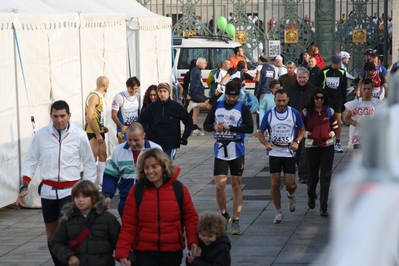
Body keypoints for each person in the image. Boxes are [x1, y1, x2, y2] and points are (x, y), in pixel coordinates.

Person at [17, 100, 97, 266]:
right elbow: (31, 159)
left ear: (69, 115)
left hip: (71, 192)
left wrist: (89, 189)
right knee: (51, 236)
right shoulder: (41, 135)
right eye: (55, 116)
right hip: (48, 192)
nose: (59, 120)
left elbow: (89, 162)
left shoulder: (79, 134)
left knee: (69, 232)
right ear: (50, 116)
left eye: (62, 116)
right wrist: (25, 183)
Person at [115, 148, 199, 266]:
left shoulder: (179, 189)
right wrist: (123, 252)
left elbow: (191, 219)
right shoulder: (137, 190)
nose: (150, 171)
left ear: (163, 167)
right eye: (146, 167)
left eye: (154, 166)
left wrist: (193, 242)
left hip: (172, 251)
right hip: (144, 252)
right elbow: (128, 224)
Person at [203, 79, 254, 235]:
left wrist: (230, 127)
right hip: (220, 150)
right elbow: (206, 125)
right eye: (229, 96)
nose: (231, 99)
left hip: (237, 150)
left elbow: (250, 128)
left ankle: (236, 220)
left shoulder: (242, 108)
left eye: (234, 97)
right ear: (225, 94)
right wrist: (214, 127)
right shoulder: (217, 106)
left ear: (238, 95)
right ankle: (225, 215)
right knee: (219, 186)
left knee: (236, 186)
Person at [257, 89, 305, 224]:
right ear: (274, 100)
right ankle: (278, 211)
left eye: (284, 100)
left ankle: (291, 195)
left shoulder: (294, 113)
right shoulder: (269, 114)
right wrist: (266, 143)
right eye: (279, 101)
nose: (281, 103)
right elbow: (260, 132)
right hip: (275, 153)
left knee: (290, 185)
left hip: (289, 153)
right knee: (275, 184)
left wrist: (297, 141)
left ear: (288, 100)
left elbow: (302, 129)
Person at [50, 180, 121, 266]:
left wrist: (126, 258)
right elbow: (56, 243)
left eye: (84, 196)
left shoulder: (108, 219)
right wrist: (69, 256)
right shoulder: (68, 219)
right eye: (77, 197)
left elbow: (119, 242)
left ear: (94, 198)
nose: (80, 200)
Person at [102, 122, 162, 216]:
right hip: (126, 200)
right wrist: (107, 194)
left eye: (136, 140)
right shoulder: (118, 150)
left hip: (150, 199)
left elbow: (163, 176)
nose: (133, 143)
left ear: (144, 135)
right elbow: (111, 175)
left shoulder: (156, 149)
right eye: (129, 140)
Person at [300, 89, 338, 217]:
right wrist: (308, 134)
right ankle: (311, 194)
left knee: (326, 176)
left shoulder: (329, 111)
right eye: (317, 98)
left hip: (327, 147)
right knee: (313, 177)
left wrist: (330, 134)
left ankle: (323, 206)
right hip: (311, 147)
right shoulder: (306, 112)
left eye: (322, 98)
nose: (319, 100)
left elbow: (336, 127)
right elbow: (299, 128)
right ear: (313, 99)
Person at [139, 83, 193, 160]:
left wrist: (185, 136)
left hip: (171, 143)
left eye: (164, 91)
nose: (162, 94)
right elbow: (141, 120)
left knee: (167, 166)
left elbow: (188, 121)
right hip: (155, 142)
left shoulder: (176, 107)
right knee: (157, 165)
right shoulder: (152, 107)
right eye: (160, 91)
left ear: (169, 92)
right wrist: (146, 132)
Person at [285, 67, 317, 183]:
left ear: (308, 77)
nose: (302, 80)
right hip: (293, 125)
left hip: (308, 125)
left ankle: (304, 174)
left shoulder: (314, 90)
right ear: (296, 77)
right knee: (296, 151)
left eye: (304, 77)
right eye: (300, 77)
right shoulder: (289, 90)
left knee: (305, 150)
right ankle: (300, 169)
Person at [344, 79, 384, 155]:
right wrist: (354, 122)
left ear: (372, 89)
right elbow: (346, 118)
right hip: (358, 137)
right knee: (358, 161)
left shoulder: (378, 104)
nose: (366, 91)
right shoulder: (355, 104)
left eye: (369, 89)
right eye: (364, 89)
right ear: (361, 89)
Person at [316, 55, 347, 153]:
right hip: (327, 99)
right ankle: (326, 140)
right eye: (338, 64)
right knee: (326, 121)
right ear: (334, 64)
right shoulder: (325, 71)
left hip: (338, 99)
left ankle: (337, 142)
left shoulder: (342, 72)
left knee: (338, 121)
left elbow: (344, 87)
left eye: (340, 64)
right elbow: (317, 83)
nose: (340, 65)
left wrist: (343, 101)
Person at [85, 76, 109, 189]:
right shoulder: (94, 97)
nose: (108, 86)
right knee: (93, 157)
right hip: (92, 132)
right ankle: (89, 183)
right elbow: (89, 117)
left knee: (103, 155)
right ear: (104, 85)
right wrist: (97, 133)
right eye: (108, 84)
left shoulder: (100, 97)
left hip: (99, 130)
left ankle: (101, 183)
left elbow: (97, 116)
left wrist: (102, 128)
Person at [111, 77, 141, 143]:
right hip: (123, 129)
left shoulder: (138, 96)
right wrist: (121, 126)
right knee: (124, 150)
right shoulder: (119, 97)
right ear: (127, 87)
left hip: (134, 128)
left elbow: (138, 111)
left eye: (136, 89)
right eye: (131, 88)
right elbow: (113, 115)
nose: (133, 91)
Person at [187, 57, 211, 136]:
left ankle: (194, 128)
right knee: (209, 104)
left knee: (196, 111)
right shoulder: (196, 71)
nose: (206, 65)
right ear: (199, 63)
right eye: (204, 63)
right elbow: (193, 82)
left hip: (199, 91)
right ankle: (194, 104)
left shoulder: (198, 70)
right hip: (196, 92)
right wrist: (190, 94)